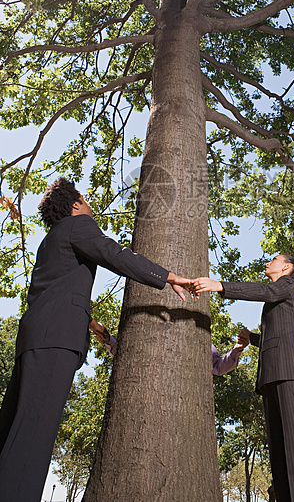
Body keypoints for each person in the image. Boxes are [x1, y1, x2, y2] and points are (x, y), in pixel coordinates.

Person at [0, 177, 192, 502]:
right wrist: (169, 276)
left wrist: (92, 325)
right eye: (85, 200)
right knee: (32, 438)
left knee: (12, 434)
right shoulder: (79, 226)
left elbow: (55, 291)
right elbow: (113, 253)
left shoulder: (50, 241)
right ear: (75, 205)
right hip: (56, 340)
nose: (89, 205)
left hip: (34, 337)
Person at [192, 254, 294, 502]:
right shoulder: (282, 293)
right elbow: (277, 337)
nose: (267, 263)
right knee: (279, 452)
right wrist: (251, 339)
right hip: (272, 376)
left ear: (286, 267)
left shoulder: (287, 285)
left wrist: (220, 285)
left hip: (291, 374)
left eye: (273, 259)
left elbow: (266, 292)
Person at [90, 320, 250, 375]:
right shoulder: (149, 327)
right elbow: (130, 354)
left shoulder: (201, 342)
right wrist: (108, 340)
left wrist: (237, 349)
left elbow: (218, 367)